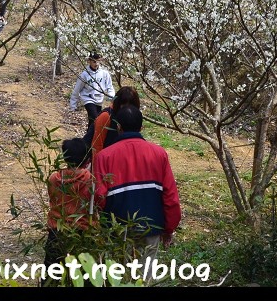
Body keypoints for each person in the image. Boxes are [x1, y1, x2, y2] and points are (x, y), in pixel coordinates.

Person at [93, 105, 181, 257]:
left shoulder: (104, 156)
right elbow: (170, 196)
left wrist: (100, 226)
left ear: (118, 127)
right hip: (151, 227)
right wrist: (169, 228)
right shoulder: (159, 153)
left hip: (117, 230)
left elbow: (99, 196)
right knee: (145, 277)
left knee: (118, 276)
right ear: (141, 127)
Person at [42, 137, 96, 285]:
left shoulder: (54, 178)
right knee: (83, 277)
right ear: (86, 159)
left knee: (51, 276)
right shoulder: (89, 180)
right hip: (81, 232)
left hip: (56, 232)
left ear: (65, 157)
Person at [69, 51, 116, 129]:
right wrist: (73, 105)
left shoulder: (104, 73)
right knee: (95, 118)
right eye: (94, 61)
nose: (96, 64)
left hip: (99, 99)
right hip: (88, 98)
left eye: (98, 61)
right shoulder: (84, 75)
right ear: (89, 61)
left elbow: (110, 87)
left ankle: (88, 139)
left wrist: (112, 98)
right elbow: (77, 89)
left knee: (93, 122)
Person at [90, 86, 140, 157]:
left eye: (131, 106)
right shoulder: (106, 116)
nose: (127, 108)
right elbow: (97, 146)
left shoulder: (133, 118)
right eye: (124, 105)